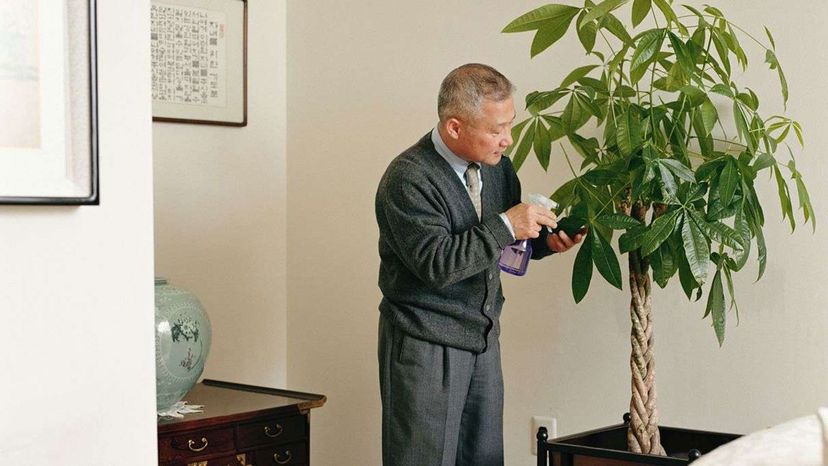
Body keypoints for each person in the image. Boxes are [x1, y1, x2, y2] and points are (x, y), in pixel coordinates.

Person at [375, 63, 585, 466]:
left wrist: (546, 242)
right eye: (496, 130)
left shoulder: (497, 166)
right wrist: (509, 224)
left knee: (484, 459)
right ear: (455, 127)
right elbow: (438, 264)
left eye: (510, 126)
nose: (507, 140)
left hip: (483, 338)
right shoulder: (407, 179)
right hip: (424, 343)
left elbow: (504, 240)